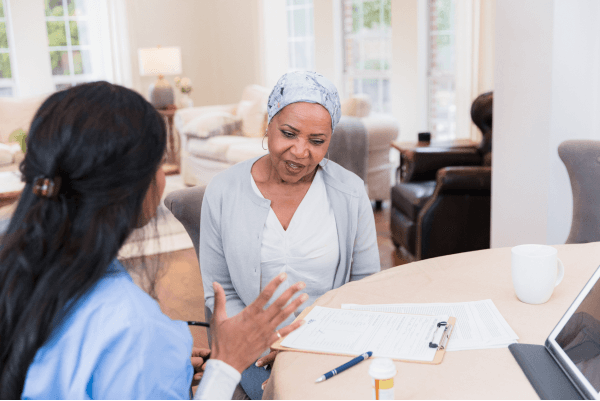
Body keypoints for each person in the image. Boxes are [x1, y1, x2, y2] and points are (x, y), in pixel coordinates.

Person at [0, 82, 307, 400]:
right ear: (136, 187)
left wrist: (160, 369)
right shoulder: (135, 329)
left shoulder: (16, 267)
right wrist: (226, 365)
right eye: (160, 161)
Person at [199, 71, 381, 399]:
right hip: (255, 348)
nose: (300, 152)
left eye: (316, 141)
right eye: (288, 133)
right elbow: (220, 292)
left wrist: (306, 343)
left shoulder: (351, 192)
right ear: (268, 123)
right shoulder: (223, 190)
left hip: (331, 344)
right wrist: (267, 341)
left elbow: (366, 287)